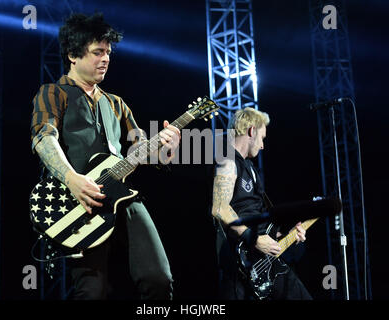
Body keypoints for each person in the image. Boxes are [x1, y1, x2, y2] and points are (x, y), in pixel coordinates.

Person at [30, 13, 180, 300]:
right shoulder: (52, 93)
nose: (106, 59)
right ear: (73, 55)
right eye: (98, 52)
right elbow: (43, 138)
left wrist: (166, 149)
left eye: (108, 53)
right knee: (92, 292)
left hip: (122, 196)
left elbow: (140, 150)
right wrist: (72, 179)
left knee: (158, 279)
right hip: (77, 202)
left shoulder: (116, 103)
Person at [211, 107, 312, 300]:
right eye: (262, 138)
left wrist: (285, 236)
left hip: (265, 264)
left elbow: (259, 221)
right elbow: (219, 208)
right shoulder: (228, 161)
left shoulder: (251, 169)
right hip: (241, 265)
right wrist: (255, 240)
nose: (263, 145)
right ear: (251, 131)